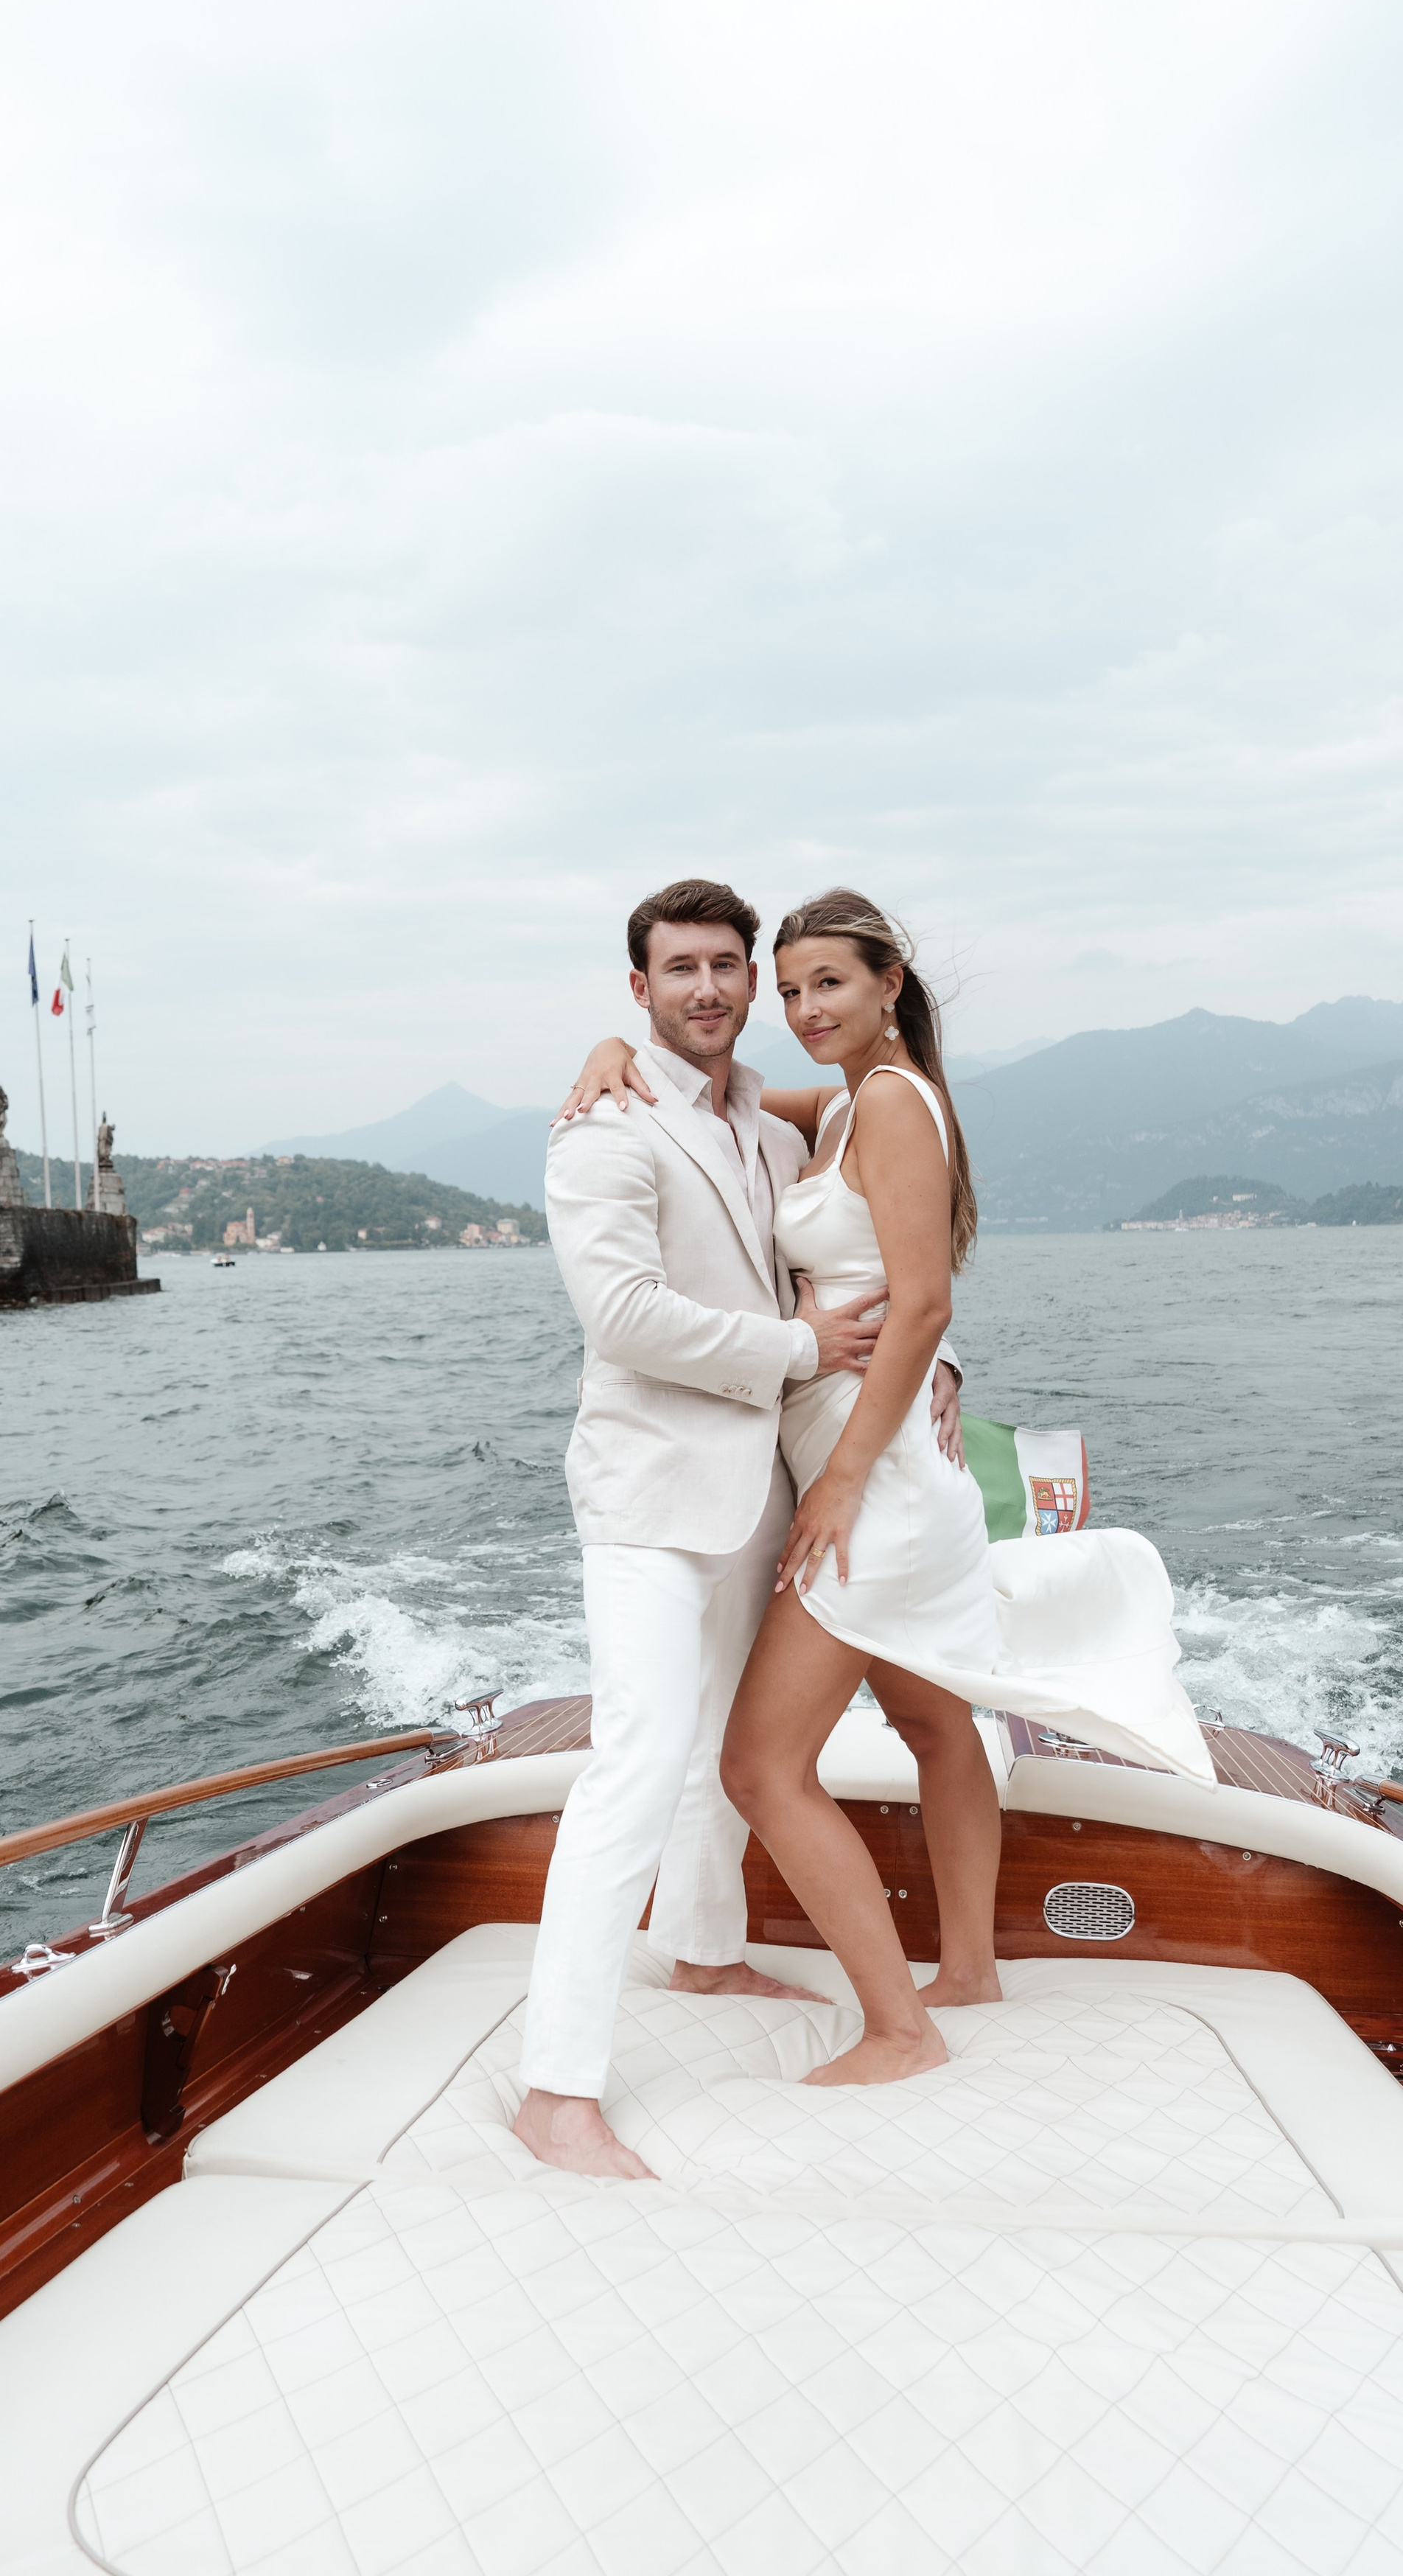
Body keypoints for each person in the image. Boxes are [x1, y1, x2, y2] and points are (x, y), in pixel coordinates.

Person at [562, 887, 1214, 2094]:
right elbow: (727, 1100)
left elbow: (923, 1304)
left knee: (760, 1766)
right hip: (875, 1465)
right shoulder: (852, 1099)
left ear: (890, 984)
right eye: (795, 987)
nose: (807, 1010)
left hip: (877, 1484)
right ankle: (966, 1969)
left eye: (832, 986)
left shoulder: (897, 1107)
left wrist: (843, 1483)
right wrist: (616, 1051)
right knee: (931, 1722)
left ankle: (903, 2029)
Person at [512, 879, 965, 2178]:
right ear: (641, 990)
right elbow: (626, 1318)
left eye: (728, 965)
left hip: (765, 1492)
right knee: (642, 1758)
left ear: (750, 983)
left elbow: (894, 1250)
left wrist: (934, 1366)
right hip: (651, 1495)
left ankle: (707, 1954)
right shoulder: (603, 1127)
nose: (707, 988)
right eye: (679, 970)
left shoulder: (775, 1126)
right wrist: (798, 1346)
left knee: (723, 1737)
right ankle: (557, 2092)